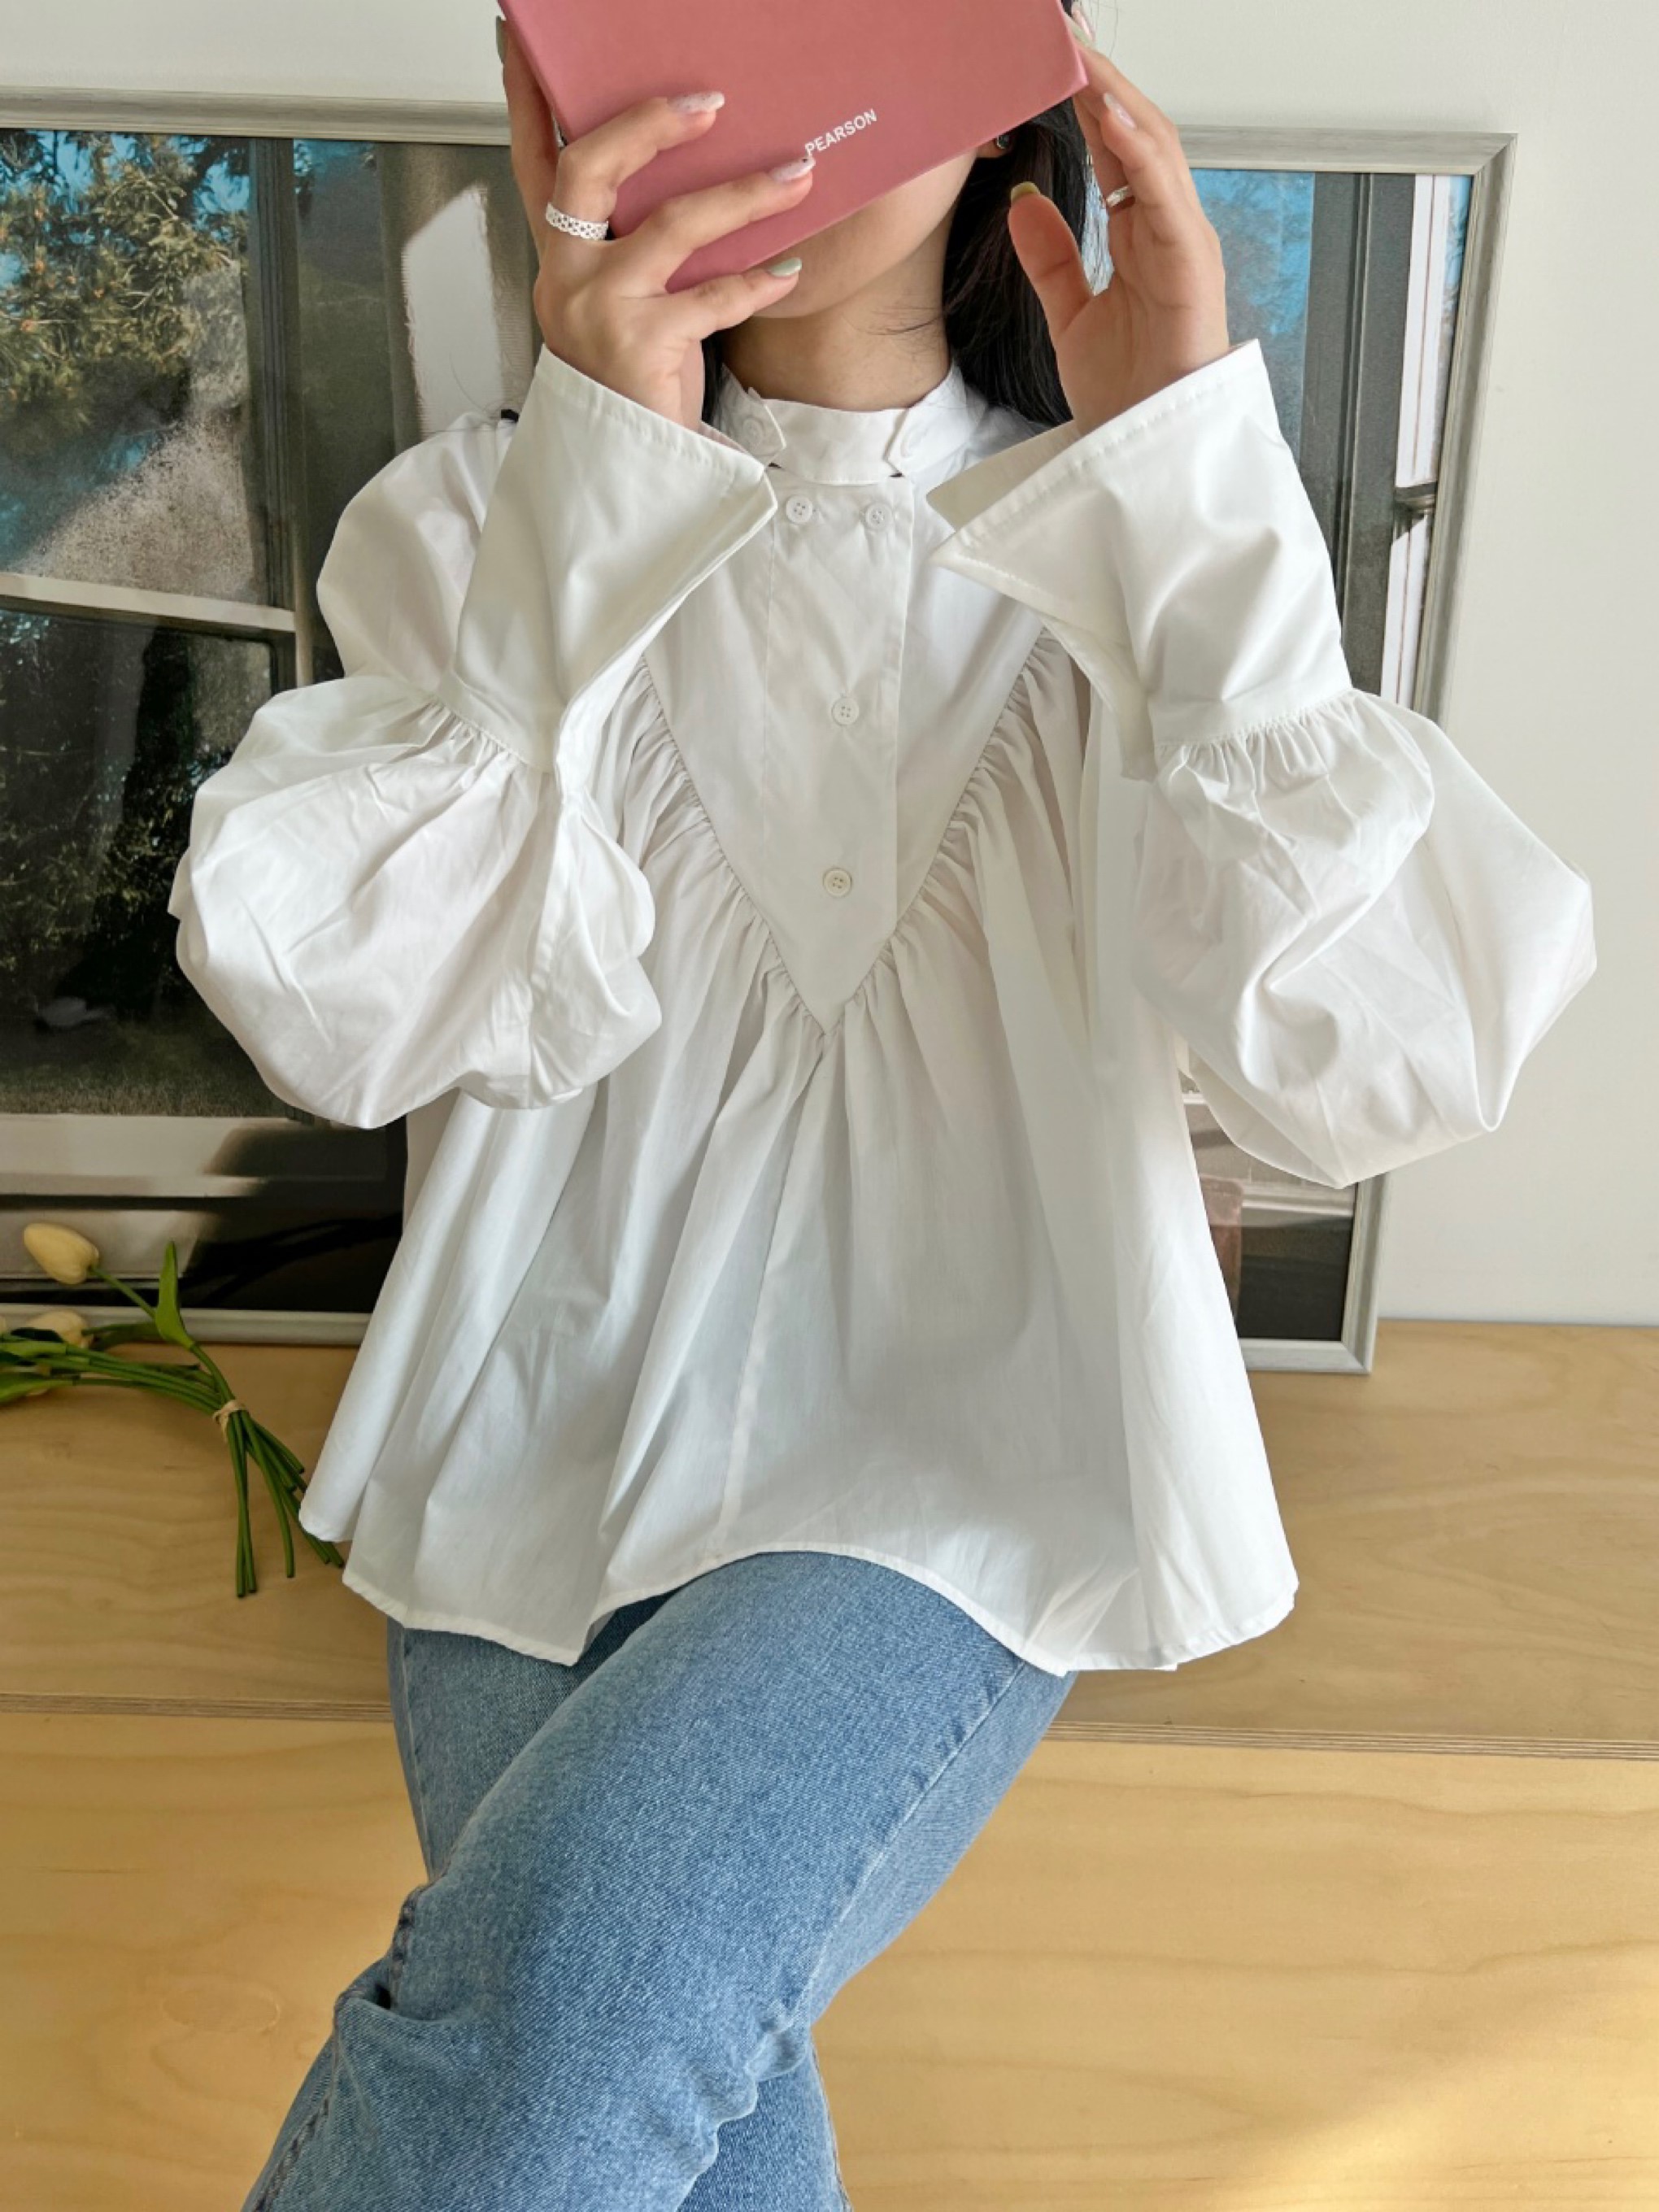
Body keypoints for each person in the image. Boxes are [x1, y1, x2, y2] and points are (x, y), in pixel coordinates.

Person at [172, 6, 1596, 2205]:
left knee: (560, 2015)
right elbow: (350, 1023)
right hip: (532, 1453)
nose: (772, 116)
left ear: (987, 85)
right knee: (662, 2103)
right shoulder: (476, 526)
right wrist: (594, 475)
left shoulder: (1146, 550)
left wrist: (1191, 473)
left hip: (966, 1460)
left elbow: (1380, 1061)